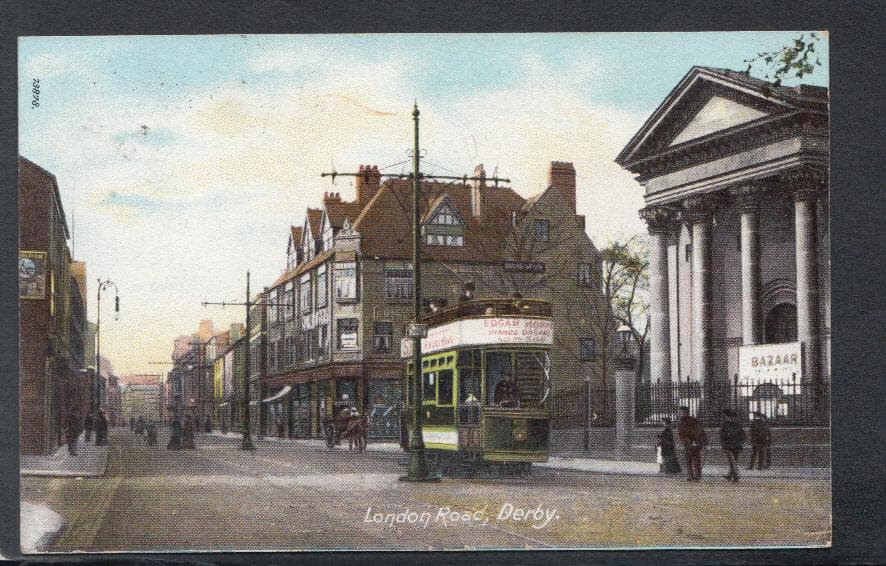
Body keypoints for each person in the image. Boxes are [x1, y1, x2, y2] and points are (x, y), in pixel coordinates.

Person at [677, 406, 707, 482]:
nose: (680, 414)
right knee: (693, 459)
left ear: (686, 412)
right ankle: (695, 475)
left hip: (691, 443)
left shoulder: (685, 422)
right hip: (693, 443)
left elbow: (683, 434)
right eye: (680, 412)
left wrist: (689, 441)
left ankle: (693, 475)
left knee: (691, 460)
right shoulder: (692, 420)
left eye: (682, 412)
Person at [719, 409, 746, 483]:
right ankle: (731, 475)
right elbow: (743, 435)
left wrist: (724, 442)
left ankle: (735, 476)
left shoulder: (725, 425)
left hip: (730, 445)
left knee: (733, 461)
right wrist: (741, 442)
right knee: (733, 461)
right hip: (736, 445)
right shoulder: (737, 425)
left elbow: (722, 435)